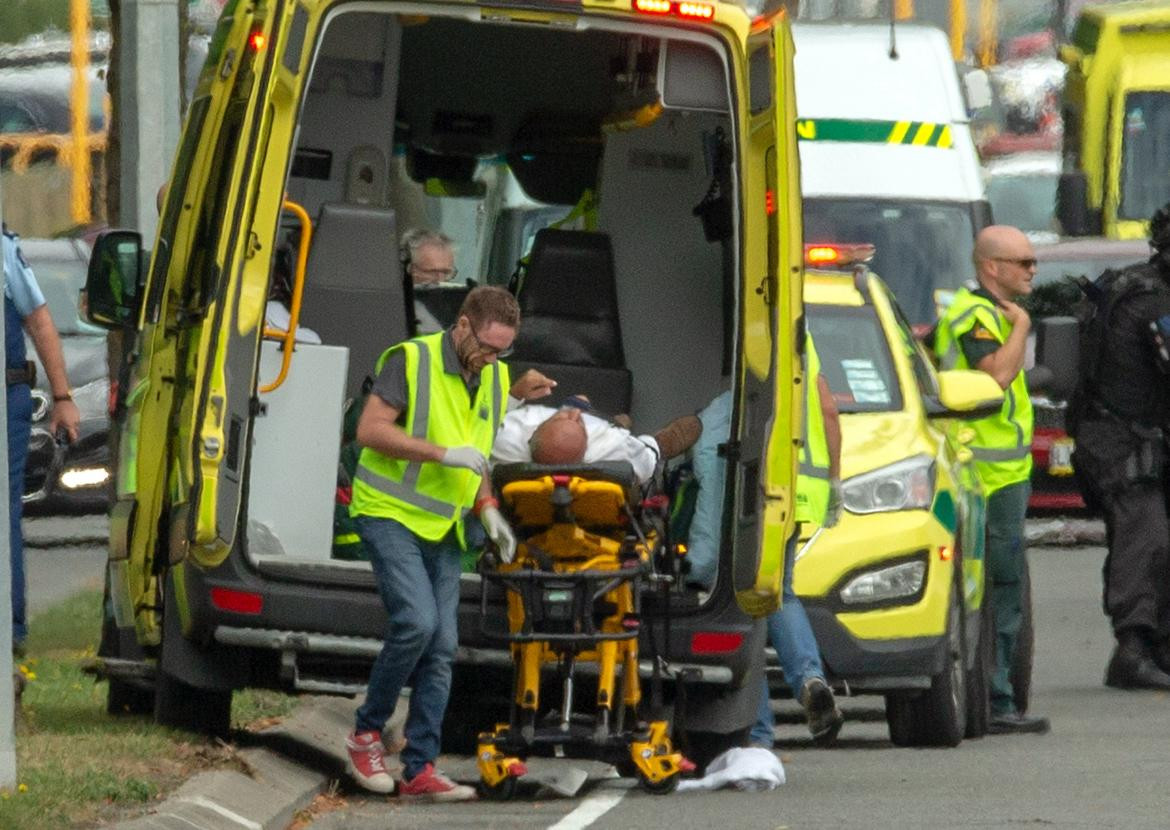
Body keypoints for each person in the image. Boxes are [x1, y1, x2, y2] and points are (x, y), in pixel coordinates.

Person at [344, 285, 525, 800]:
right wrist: (443, 454)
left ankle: (420, 767)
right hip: (389, 513)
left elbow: (480, 451)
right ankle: (366, 733)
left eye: (503, 351)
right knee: (417, 624)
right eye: (487, 347)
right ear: (463, 325)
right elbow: (371, 431)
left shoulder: (493, 377)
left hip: (443, 526)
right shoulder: (412, 359)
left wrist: (487, 508)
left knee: (442, 646)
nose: (493, 358)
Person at [933, 224, 1049, 735]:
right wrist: (1022, 326)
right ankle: (997, 700)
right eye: (1023, 261)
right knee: (999, 590)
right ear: (991, 267)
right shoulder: (977, 315)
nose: (1032, 269)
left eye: (1032, 261)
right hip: (982, 474)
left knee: (1002, 588)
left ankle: (996, 695)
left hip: (1001, 474)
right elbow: (995, 377)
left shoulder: (987, 311)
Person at [1069, 201, 1170, 691]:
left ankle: (1158, 647)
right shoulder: (1151, 301)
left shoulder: (1137, 284)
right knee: (1145, 535)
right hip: (1120, 441)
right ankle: (1132, 649)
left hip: (1124, 436)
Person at [751, 334, 845, 748]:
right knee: (781, 594)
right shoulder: (800, 331)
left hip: (751, 489)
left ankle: (755, 733)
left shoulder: (744, 325)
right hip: (798, 489)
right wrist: (835, 479)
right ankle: (809, 678)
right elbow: (827, 409)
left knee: (743, 607)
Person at [3, 227, 80, 655]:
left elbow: (38, 319)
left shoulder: (3, 248)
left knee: (1, 514)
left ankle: (11, 633)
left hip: (4, 398)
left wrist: (63, 397)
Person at [490, 396, 702, 483]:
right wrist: (655, 446)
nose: (574, 415)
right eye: (579, 423)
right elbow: (648, 457)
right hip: (618, 436)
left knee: (580, 402)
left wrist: (515, 395)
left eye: (561, 417)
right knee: (650, 442)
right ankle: (621, 422)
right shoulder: (612, 447)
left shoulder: (504, 440)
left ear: (533, 434)